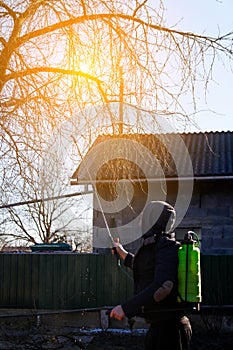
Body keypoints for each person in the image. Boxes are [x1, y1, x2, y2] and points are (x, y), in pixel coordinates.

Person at [110, 200, 192, 350]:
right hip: (158, 328)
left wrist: (126, 308)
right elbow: (146, 268)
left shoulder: (167, 247)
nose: (141, 219)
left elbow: (163, 285)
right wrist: (122, 253)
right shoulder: (156, 246)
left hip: (170, 331)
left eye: (144, 215)